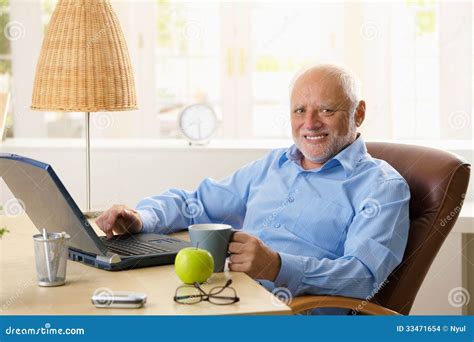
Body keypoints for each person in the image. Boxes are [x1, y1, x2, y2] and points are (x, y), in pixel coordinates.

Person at [96, 64, 410, 313]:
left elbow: (362, 277)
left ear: (359, 113)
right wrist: (142, 218)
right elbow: (196, 204)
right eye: (300, 110)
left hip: (287, 314)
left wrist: (278, 267)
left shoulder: (383, 188)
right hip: (226, 297)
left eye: (326, 110)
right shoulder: (275, 165)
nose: (310, 123)